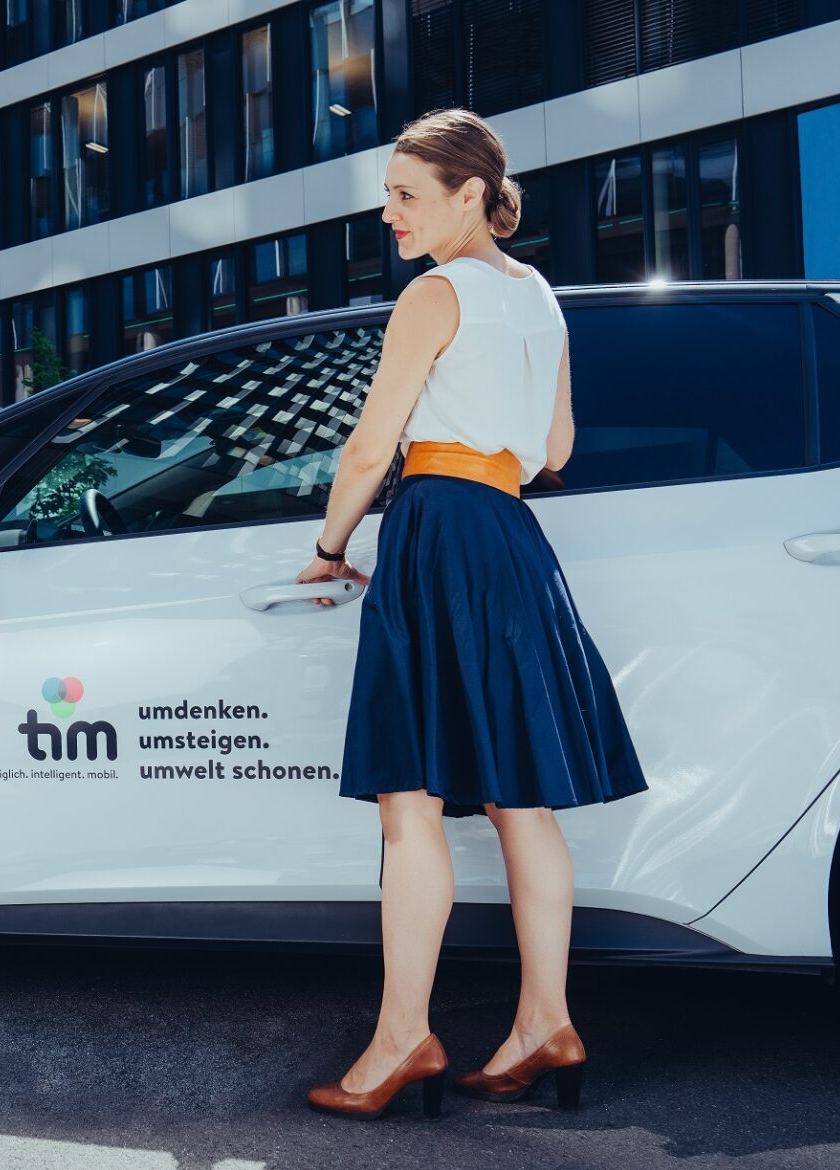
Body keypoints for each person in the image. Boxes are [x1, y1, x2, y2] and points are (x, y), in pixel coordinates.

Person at [297, 110, 648, 1118]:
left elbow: (370, 448)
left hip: (440, 525)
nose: (389, 213)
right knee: (518, 800)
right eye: (386, 196)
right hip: (509, 535)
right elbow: (559, 449)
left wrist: (328, 547)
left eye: (407, 195)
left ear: (467, 195)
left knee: (409, 801)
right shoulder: (535, 294)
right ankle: (545, 1020)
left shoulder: (434, 293)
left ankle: (403, 1038)